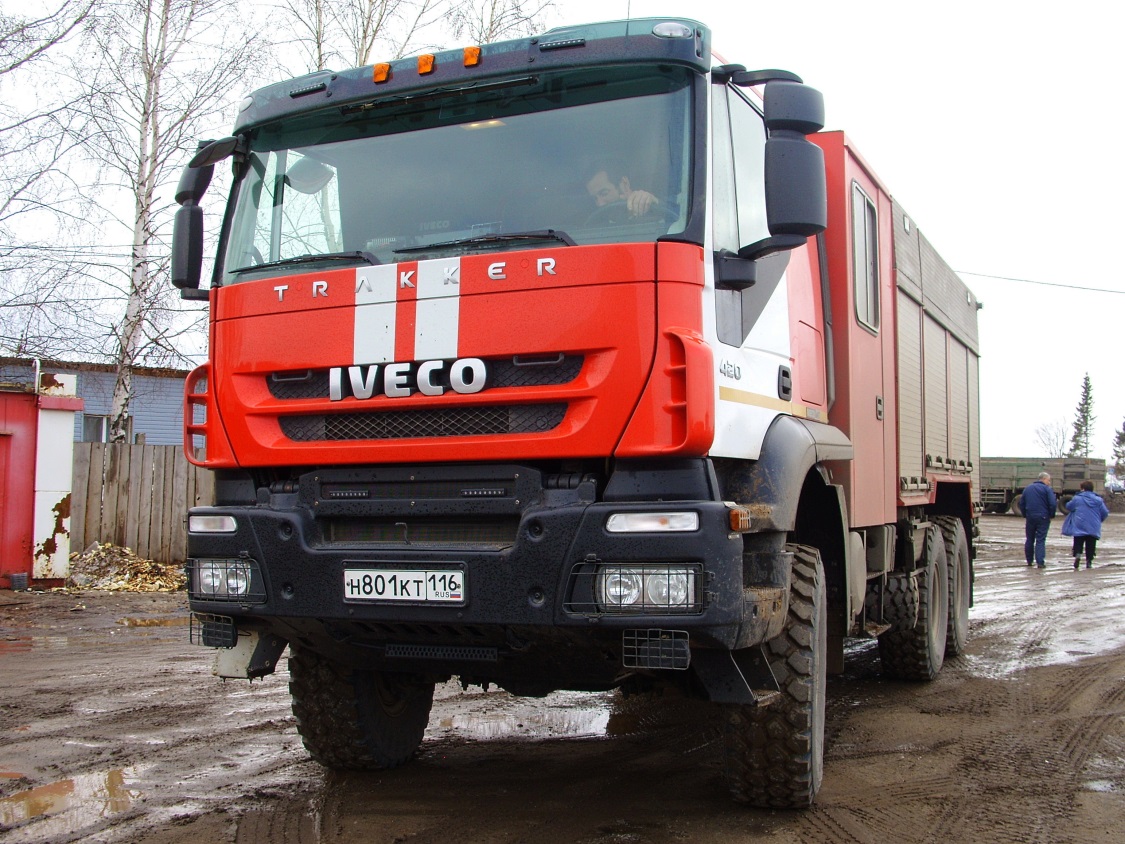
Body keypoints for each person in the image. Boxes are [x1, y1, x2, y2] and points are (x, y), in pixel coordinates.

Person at [1062, 480, 1110, 569]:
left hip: (1080, 523)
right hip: (1093, 525)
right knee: (1091, 543)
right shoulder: (1098, 500)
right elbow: (1105, 512)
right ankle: (1089, 561)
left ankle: (1078, 555)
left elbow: (1068, 506)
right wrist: (1099, 520)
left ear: (1083, 489)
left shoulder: (1077, 498)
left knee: (1078, 541)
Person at [585, 162, 659, 218]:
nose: (600, 204)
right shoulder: (595, 224)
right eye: (595, 198)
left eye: (604, 193)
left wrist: (651, 202)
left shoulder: (654, 211)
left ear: (624, 184)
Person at [1021, 472, 1056, 568]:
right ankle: (1040, 562)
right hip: (1043, 517)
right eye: (1048, 480)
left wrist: (1025, 514)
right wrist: (1051, 515)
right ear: (1044, 479)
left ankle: (1029, 561)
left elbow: (1022, 503)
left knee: (1029, 539)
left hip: (1030, 517)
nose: (1049, 482)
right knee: (1040, 540)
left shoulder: (1028, 488)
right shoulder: (1047, 489)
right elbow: (1052, 504)